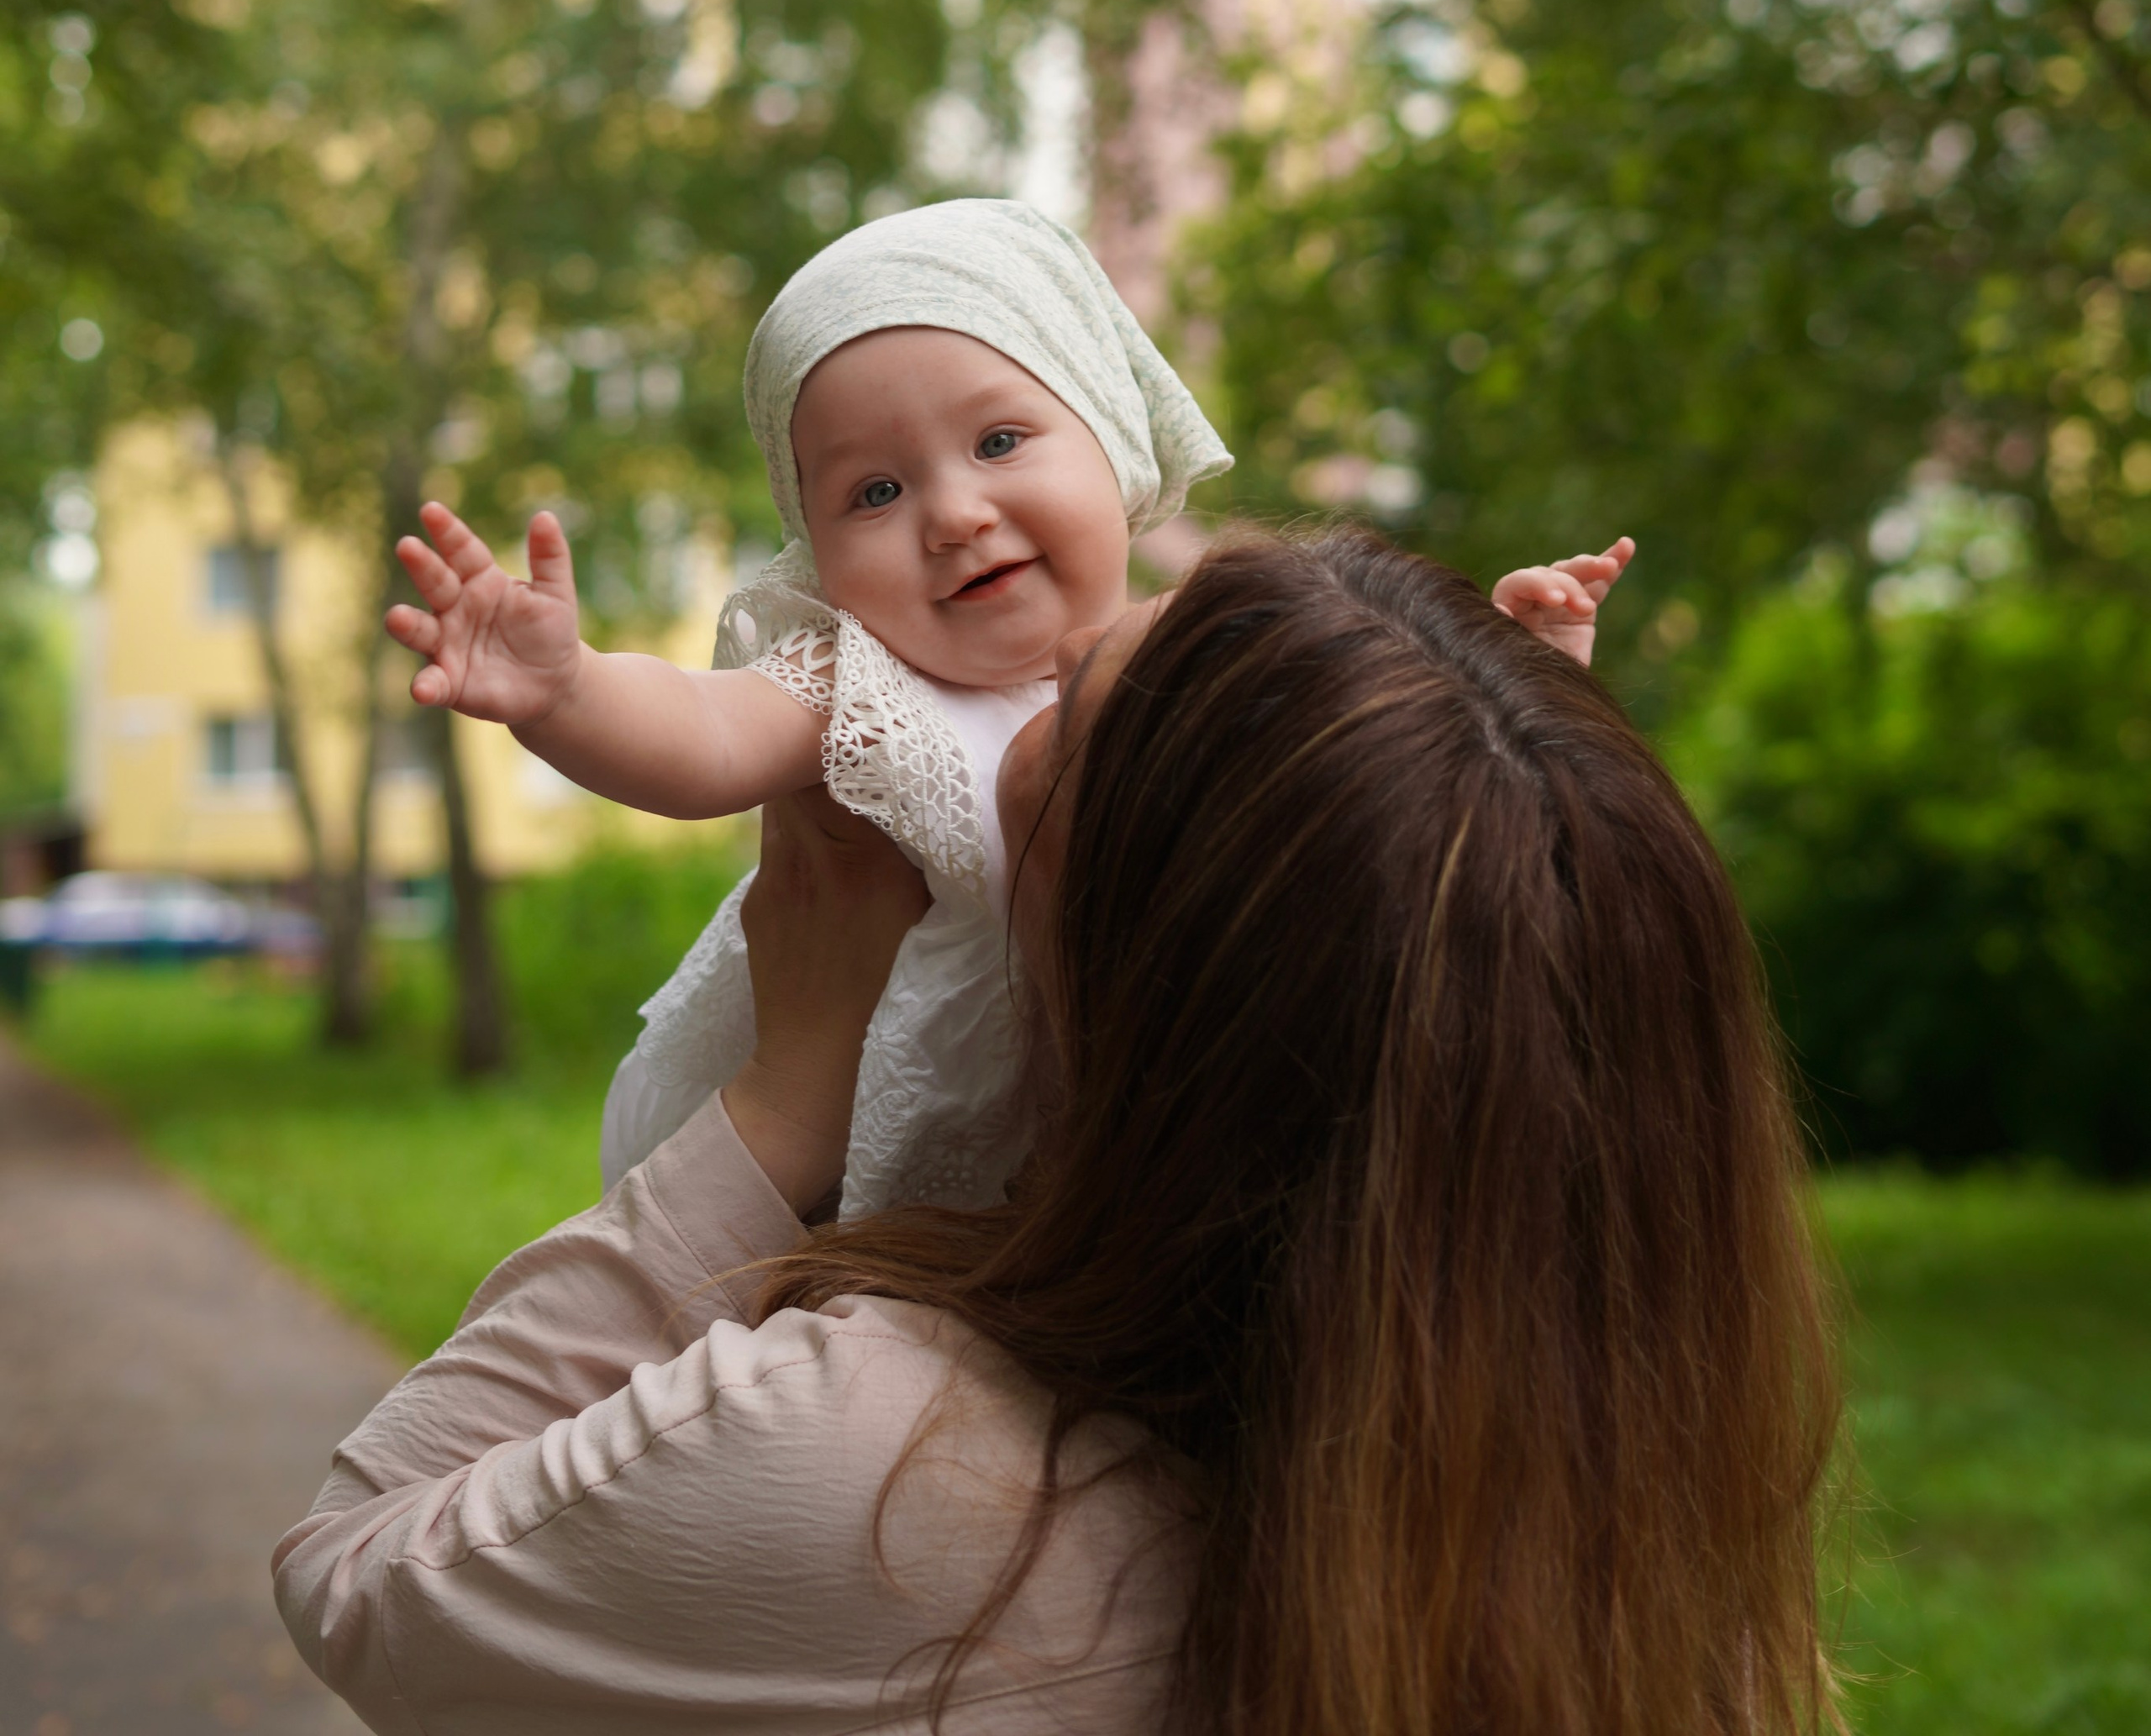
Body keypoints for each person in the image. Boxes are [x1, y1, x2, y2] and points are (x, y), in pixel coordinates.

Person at [278, 524, 1841, 1736]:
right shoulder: (1650, 1527)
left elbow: (359, 1564)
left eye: (1075, 709)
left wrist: (790, 1086)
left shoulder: (895, 1471)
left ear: (1128, 977)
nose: (1060, 643)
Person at [387, 194, 1632, 1213]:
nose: (953, 514)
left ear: (1109, 439)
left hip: (1139, 1151)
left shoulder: (1201, 644)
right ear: (813, 549)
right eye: (874, 494)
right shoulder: (860, 685)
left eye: (998, 443)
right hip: (842, 1180)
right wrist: (569, 691)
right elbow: (703, 738)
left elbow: (1382, 781)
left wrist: (1515, 667)